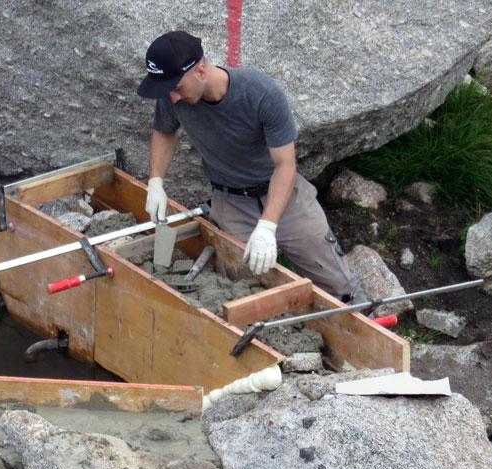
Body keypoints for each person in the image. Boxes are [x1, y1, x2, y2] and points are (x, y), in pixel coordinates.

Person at [137, 30, 365, 304]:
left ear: (200, 71)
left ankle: (374, 329)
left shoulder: (260, 93)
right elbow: (164, 132)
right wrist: (156, 183)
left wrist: (268, 226)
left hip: (284, 193)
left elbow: (285, 165)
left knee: (337, 284)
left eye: (176, 88)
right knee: (240, 290)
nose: (172, 97)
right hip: (230, 201)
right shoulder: (172, 96)